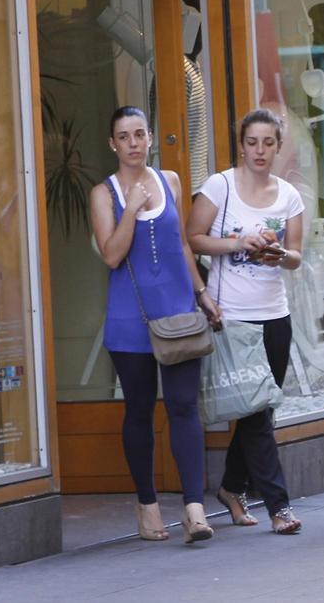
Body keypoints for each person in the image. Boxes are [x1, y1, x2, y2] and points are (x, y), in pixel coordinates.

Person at [90, 106, 218, 544]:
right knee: (140, 411)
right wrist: (130, 210)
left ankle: (194, 509)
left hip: (178, 312)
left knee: (184, 406)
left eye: (140, 134)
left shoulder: (171, 181)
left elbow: (181, 244)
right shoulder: (103, 194)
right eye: (124, 136)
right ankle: (147, 507)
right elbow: (111, 255)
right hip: (130, 318)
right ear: (112, 144)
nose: (133, 143)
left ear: (150, 137)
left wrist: (201, 293)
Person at [187, 108, 305, 535]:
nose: (259, 150)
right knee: (256, 415)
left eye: (268, 143)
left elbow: (296, 256)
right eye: (252, 142)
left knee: (260, 408)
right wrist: (239, 242)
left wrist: (277, 254)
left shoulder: (288, 195)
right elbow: (193, 238)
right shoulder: (220, 186)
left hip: (275, 316)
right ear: (241, 145)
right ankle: (279, 506)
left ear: (278, 147)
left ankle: (231, 487)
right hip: (233, 319)